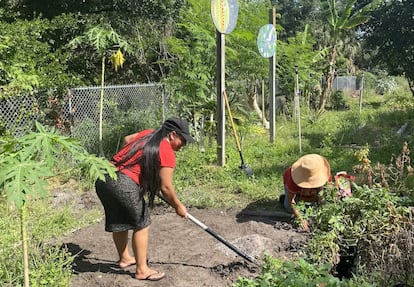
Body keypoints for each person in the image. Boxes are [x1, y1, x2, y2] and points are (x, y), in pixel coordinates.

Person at [95, 117, 195, 281]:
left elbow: (128, 139)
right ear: (172, 135)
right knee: (142, 223)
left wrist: (132, 164)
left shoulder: (148, 134)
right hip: (124, 184)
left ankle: (125, 258)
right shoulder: (166, 151)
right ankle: (142, 270)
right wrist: (178, 206)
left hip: (104, 178)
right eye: (183, 139)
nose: (184, 144)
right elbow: (166, 187)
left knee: (120, 220)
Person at [280, 154, 331, 231]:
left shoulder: (324, 174)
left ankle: (304, 199)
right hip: (297, 192)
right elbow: (291, 202)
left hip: (311, 194)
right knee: (288, 208)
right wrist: (301, 219)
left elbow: (326, 194)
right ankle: (292, 198)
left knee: (318, 206)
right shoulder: (291, 177)